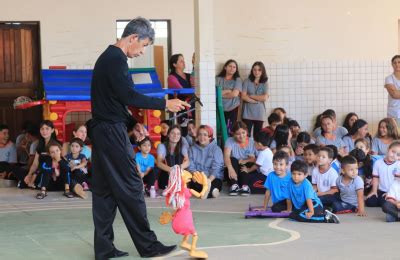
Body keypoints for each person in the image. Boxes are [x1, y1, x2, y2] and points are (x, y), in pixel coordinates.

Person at [89, 17, 188, 259]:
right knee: (133, 186)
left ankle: (104, 248)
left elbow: (112, 100)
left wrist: (133, 124)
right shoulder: (116, 60)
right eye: (143, 45)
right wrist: (165, 103)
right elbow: (129, 95)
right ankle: (149, 246)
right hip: (111, 133)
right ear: (132, 38)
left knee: (104, 192)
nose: (142, 51)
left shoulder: (107, 57)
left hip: (103, 131)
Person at [187, 125, 224, 199]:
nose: (202, 137)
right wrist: (196, 176)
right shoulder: (192, 149)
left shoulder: (216, 149)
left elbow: (216, 168)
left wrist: (208, 181)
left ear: (210, 137)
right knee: (194, 184)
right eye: (200, 134)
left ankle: (211, 191)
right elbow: (191, 166)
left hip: (212, 178)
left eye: (205, 135)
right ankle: (212, 192)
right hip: (198, 177)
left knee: (215, 183)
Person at [23, 120, 62, 189]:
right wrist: (29, 174)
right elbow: (35, 164)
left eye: (47, 128)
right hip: (39, 172)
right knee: (21, 172)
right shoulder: (40, 145)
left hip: (52, 174)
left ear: (52, 130)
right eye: (42, 129)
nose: (44, 131)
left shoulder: (57, 145)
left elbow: (60, 162)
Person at [224, 121, 257, 196]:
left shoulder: (252, 142)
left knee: (246, 163)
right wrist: (230, 168)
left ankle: (245, 186)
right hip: (233, 172)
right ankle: (234, 185)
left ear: (247, 132)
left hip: (246, 172)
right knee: (233, 160)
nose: (241, 136)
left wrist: (247, 160)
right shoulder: (229, 141)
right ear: (233, 134)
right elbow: (226, 156)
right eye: (238, 134)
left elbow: (259, 160)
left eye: (243, 133)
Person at [366, 141, 400, 207]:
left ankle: (392, 201)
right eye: (393, 151)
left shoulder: (398, 165)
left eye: (398, 155)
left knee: (384, 202)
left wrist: (390, 193)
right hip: (381, 190)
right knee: (369, 202)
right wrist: (374, 191)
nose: (394, 155)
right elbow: (375, 178)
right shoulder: (378, 163)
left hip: (394, 192)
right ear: (388, 149)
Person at [156, 125, 190, 190]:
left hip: (179, 176)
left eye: (178, 134)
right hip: (166, 176)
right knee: (168, 157)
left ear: (180, 136)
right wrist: (172, 170)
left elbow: (187, 162)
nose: (175, 135)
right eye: (172, 133)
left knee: (180, 157)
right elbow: (159, 163)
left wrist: (178, 169)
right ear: (168, 135)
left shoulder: (183, 146)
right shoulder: (161, 146)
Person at [241, 61, 269, 136]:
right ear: (252, 70)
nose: (256, 72)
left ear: (262, 71)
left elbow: (264, 97)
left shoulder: (265, 83)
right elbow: (243, 96)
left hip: (260, 113)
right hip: (247, 113)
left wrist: (250, 96)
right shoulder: (247, 81)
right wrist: (255, 101)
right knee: (246, 135)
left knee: (258, 136)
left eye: (259, 70)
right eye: (254, 69)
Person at [216, 59, 242, 134]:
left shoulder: (237, 80)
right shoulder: (218, 79)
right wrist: (228, 91)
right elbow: (214, 93)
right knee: (219, 129)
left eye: (234, 67)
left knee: (229, 130)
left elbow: (234, 94)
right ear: (225, 67)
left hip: (232, 108)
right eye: (230, 66)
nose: (232, 68)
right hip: (219, 108)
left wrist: (220, 95)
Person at [384, 55, 400, 125]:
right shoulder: (389, 78)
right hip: (393, 113)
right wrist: (395, 92)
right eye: (395, 62)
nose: (397, 64)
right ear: (392, 64)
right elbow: (394, 95)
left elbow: (396, 93)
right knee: (394, 134)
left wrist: (396, 90)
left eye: (399, 62)